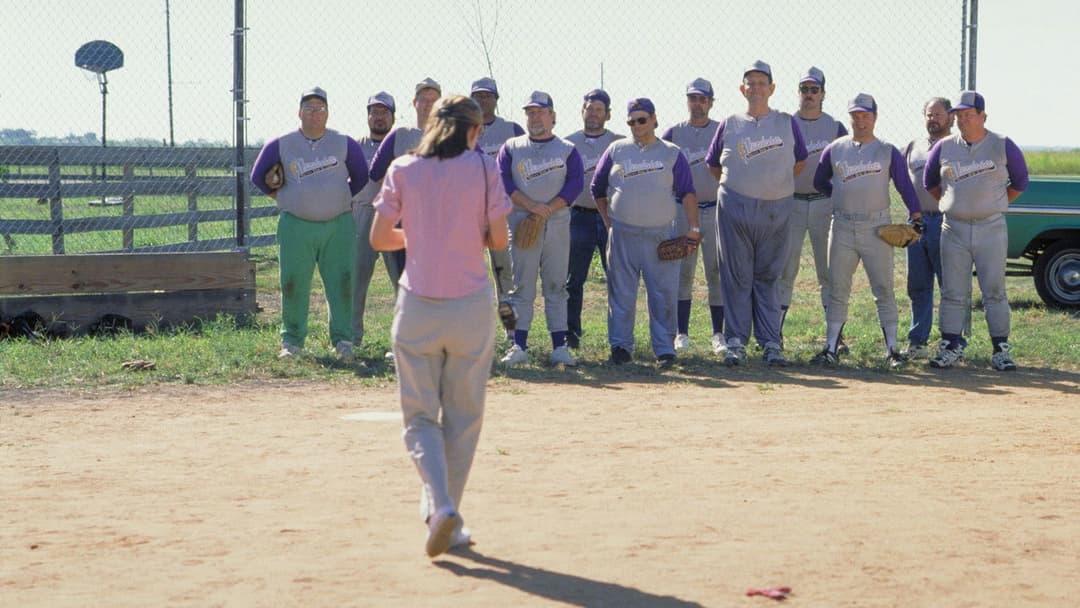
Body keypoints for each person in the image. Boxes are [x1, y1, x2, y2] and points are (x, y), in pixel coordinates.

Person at [369, 95, 511, 558]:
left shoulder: (404, 168)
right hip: (470, 305)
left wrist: (420, 233)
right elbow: (499, 238)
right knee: (464, 418)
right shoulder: (485, 168)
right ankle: (448, 512)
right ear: (473, 131)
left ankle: (441, 509)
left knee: (420, 417)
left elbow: (378, 238)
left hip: (418, 306)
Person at [250, 86, 369, 359]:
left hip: (338, 224)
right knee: (292, 283)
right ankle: (292, 342)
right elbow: (257, 176)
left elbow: (361, 176)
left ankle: (343, 340)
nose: (315, 114)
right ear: (299, 112)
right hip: (296, 225)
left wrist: (339, 198)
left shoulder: (343, 142)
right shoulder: (282, 143)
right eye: (309, 108)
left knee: (342, 282)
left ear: (328, 113)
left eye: (320, 108)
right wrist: (283, 197)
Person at [705, 60, 808, 367]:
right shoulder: (730, 122)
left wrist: (773, 184)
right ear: (742, 89)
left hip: (777, 207)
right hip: (736, 206)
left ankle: (771, 342)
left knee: (768, 275)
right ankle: (736, 340)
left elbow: (799, 161)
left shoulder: (787, 121)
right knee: (736, 275)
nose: (756, 87)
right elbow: (713, 165)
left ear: (772, 88)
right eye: (750, 82)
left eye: (762, 82)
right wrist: (739, 186)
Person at [810, 93, 923, 367]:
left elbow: (904, 185)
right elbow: (818, 180)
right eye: (855, 115)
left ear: (875, 117)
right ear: (849, 118)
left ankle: (893, 350)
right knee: (838, 288)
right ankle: (831, 347)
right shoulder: (835, 148)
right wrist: (838, 196)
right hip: (843, 225)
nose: (860, 120)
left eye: (865, 115)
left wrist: (916, 214)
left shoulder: (887, 149)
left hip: (877, 226)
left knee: (883, 288)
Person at [923, 91, 1029, 371]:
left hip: (990, 228)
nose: (962, 120)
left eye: (969, 115)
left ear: (983, 116)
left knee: (994, 291)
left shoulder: (1002, 145)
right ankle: (950, 345)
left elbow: (1020, 181)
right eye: (958, 115)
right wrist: (952, 204)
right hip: (953, 228)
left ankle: (1001, 349)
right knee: (953, 291)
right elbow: (929, 182)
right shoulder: (945, 146)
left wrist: (993, 203)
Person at [592, 98, 700, 366]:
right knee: (621, 293)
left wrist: (694, 228)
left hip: (661, 235)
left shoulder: (671, 153)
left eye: (642, 120)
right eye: (631, 121)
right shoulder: (616, 150)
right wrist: (610, 222)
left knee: (663, 293)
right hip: (623, 235)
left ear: (654, 119)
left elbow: (687, 192)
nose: (637, 126)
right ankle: (620, 347)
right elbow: (597, 189)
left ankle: (664, 349)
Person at [496, 91, 584, 366]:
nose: (535, 117)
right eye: (530, 112)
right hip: (522, 221)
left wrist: (548, 208)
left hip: (556, 223)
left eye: (540, 111)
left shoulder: (567, 149)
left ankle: (560, 345)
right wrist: (533, 206)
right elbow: (504, 183)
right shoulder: (511, 147)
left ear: (553, 116)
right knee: (522, 286)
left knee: (556, 285)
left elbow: (575, 184)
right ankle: (519, 345)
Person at [778, 67, 848, 350]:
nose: (809, 95)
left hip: (823, 203)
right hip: (792, 202)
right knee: (786, 270)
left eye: (814, 89)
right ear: (798, 93)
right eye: (804, 89)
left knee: (828, 273)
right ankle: (776, 333)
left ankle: (836, 337)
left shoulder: (835, 127)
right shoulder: (784, 124)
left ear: (823, 94)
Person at [661, 77, 725, 355]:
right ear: (686, 101)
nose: (697, 104)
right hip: (683, 210)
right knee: (682, 272)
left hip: (715, 208)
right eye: (693, 98)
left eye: (703, 98)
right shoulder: (673, 133)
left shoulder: (722, 130)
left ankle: (718, 334)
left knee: (716, 273)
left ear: (711, 102)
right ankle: (681, 333)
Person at [368, 78, 443, 286]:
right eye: (423, 99)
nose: (428, 104)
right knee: (407, 287)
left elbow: (478, 168)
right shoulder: (400, 135)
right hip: (406, 224)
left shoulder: (453, 135)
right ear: (414, 102)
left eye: (433, 100)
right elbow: (375, 173)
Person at [564, 88, 624, 349]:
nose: (593, 113)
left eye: (599, 109)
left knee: (618, 278)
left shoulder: (618, 143)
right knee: (574, 279)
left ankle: (619, 338)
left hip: (610, 217)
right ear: (582, 111)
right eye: (589, 108)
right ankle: (570, 335)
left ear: (608, 114)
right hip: (579, 215)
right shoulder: (568, 143)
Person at [902, 97, 954, 359]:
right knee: (918, 286)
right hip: (916, 224)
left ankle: (951, 341)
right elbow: (897, 175)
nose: (933, 119)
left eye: (938, 115)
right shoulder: (913, 146)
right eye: (929, 115)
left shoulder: (957, 147)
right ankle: (918, 342)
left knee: (949, 286)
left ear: (951, 118)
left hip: (945, 222)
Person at [471, 77, 526, 318]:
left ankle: (510, 327)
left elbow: (528, 163)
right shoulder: (461, 131)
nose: (483, 100)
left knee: (504, 269)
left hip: (501, 208)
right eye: (478, 96)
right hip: (470, 209)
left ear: (496, 99)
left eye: (487, 95)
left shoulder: (512, 130)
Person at [351, 91, 401, 347]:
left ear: (393, 116)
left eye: (384, 112)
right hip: (362, 213)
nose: (378, 117)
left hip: (393, 216)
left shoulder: (400, 143)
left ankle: (401, 341)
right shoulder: (355, 145)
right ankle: (351, 338)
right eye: (374, 112)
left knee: (401, 281)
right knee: (356, 278)